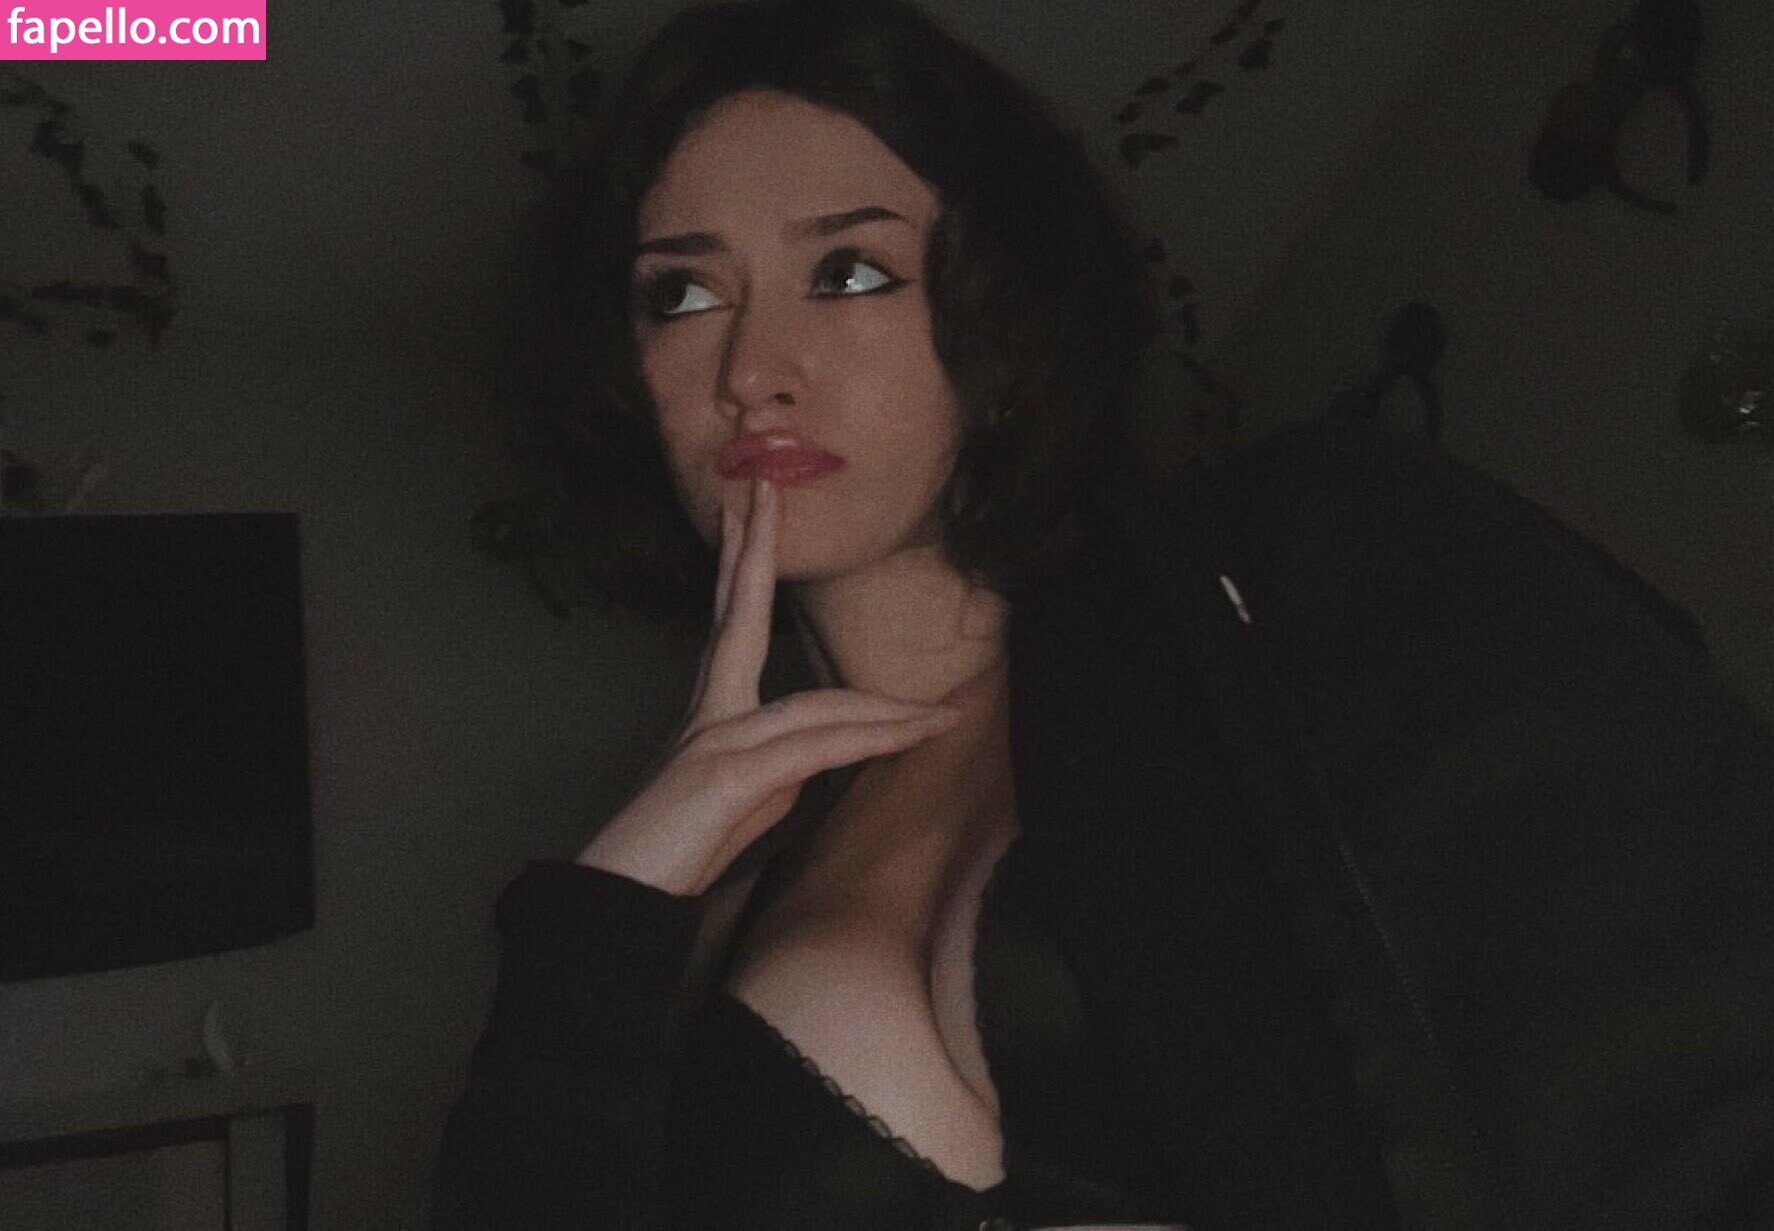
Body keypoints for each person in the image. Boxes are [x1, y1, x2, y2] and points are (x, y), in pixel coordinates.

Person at [432, 1, 1774, 1228]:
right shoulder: (689, 922)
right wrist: (604, 912)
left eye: (847, 270)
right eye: (680, 292)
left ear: (1000, 305)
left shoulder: (1304, 556)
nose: (750, 368)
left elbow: (1704, 1051)